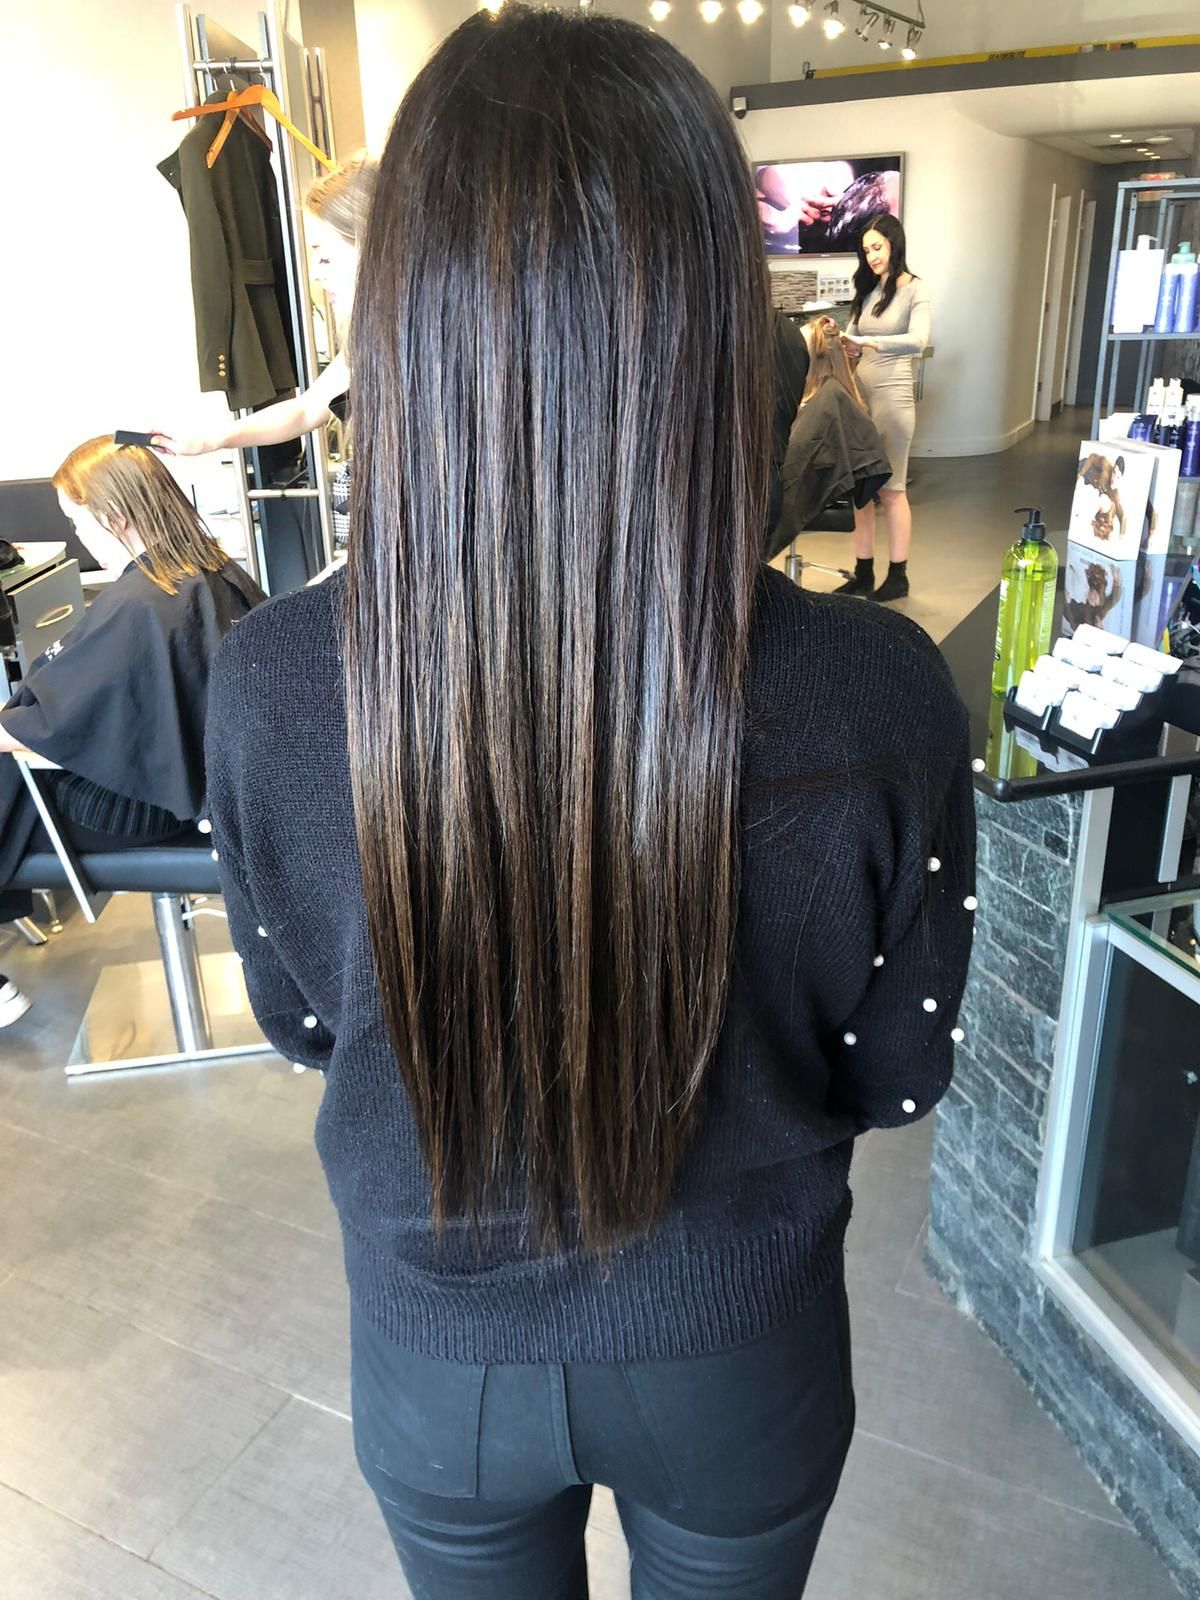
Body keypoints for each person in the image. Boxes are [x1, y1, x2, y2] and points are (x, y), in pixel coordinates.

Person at [205, 10, 976, 1598]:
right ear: (718, 317)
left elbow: (300, 1025)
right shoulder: (877, 691)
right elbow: (898, 1077)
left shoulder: (273, 682)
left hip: (436, 1363)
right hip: (737, 1352)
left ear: (406, 317)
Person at [0, 436, 264, 883]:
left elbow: (52, 725)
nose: (77, 535)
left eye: (75, 521)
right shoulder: (212, 567)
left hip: (136, 808)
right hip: (211, 786)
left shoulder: (139, 604)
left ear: (113, 517)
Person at [150, 153, 376, 458]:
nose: (316, 274)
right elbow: (305, 411)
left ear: (374, 249)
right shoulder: (365, 343)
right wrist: (210, 440)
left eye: (325, 257)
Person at [837, 213, 932, 603]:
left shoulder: (916, 290)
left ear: (894, 243)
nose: (872, 256)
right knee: (861, 487)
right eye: (866, 250)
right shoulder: (868, 291)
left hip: (893, 397)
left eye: (877, 247)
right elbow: (853, 338)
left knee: (891, 489)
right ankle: (863, 572)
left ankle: (898, 576)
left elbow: (920, 341)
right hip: (861, 396)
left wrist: (871, 344)